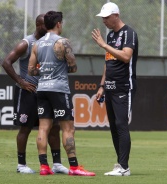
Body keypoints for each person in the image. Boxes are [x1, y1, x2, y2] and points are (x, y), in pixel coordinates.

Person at [28, 11, 95, 176]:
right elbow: (73, 67)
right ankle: (74, 167)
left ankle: (44, 166)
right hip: (58, 89)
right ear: (58, 24)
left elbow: (30, 71)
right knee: (68, 128)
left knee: (43, 128)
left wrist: (44, 70)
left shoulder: (37, 44)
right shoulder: (63, 42)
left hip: (42, 89)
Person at [2, 14, 68, 174]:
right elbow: (6, 62)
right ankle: (21, 164)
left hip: (45, 91)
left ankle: (57, 164)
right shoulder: (27, 43)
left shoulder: (48, 43)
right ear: (39, 26)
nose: (48, 27)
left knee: (54, 127)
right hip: (28, 92)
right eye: (45, 25)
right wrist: (21, 82)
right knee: (25, 128)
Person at [92, 2, 138, 176]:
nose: (104, 20)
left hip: (124, 86)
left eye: (106, 17)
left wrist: (104, 45)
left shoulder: (129, 33)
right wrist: (102, 86)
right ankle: (120, 164)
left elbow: (126, 57)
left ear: (116, 15)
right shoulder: (111, 35)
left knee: (121, 124)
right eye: (102, 17)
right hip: (109, 87)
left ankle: (124, 167)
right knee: (113, 126)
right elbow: (108, 62)